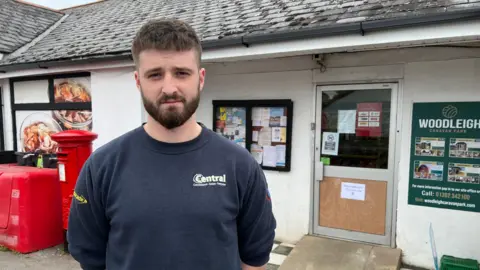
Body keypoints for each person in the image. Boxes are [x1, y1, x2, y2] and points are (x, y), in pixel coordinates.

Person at [67, 18, 277, 270]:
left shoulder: (239, 165)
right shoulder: (102, 167)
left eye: (181, 73)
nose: (169, 87)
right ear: (138, 81)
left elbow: (253, 261)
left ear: (200, 78)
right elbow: (91, 260)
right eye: (155, 75)